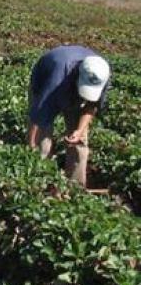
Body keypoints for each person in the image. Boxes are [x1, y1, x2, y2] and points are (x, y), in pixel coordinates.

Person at [27, 45, 110, 186]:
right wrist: (31, 144)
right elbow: (38, 116)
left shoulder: (102, 74)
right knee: (42, 142)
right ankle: (38, 182)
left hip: (70, 83)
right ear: (78, 76)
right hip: (45, 81)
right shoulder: (57, 77)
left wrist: (79, 130)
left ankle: (76, 187)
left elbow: (91, 106)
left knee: (79, 142)